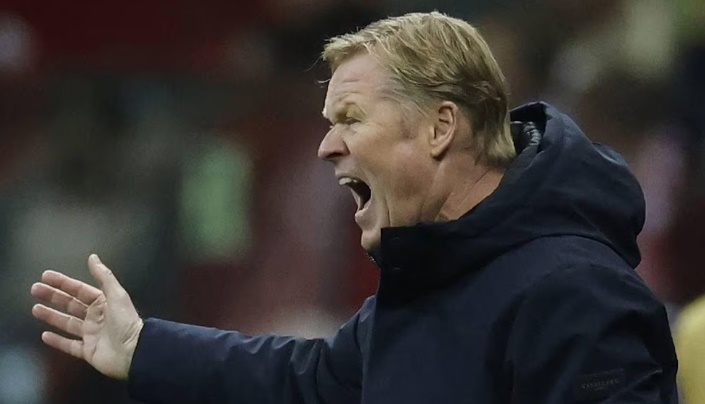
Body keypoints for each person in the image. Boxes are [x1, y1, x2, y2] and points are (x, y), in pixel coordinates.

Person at [30, 11, 678, 403]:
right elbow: (306, 380)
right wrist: (143, 346)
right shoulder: (431, 281)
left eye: (350, 118)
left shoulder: (576, 292)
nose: (326, 146)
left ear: (439, 128)